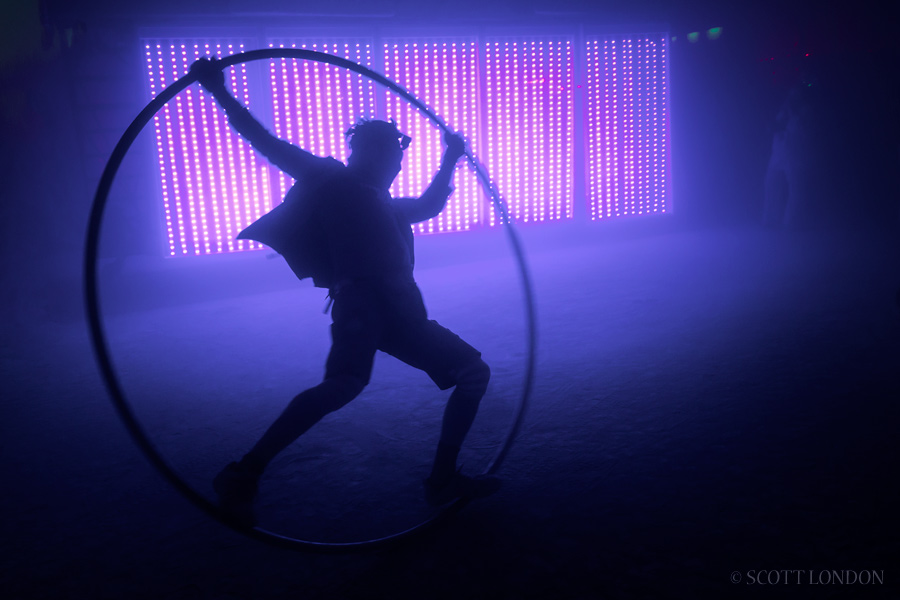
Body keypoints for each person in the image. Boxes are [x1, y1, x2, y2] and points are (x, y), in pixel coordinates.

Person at [190, 58, 499, 527]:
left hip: (399, 312)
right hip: (365, 305)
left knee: (465, 375)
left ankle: (441, 481)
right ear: (376, 153)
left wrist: (450, 158)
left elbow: (431, 205)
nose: (400, 160)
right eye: (397, 152)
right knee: (346, 386)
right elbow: (266, 142)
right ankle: (243, 472)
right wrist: (219, 90)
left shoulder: (383, 201)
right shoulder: (333, 180)